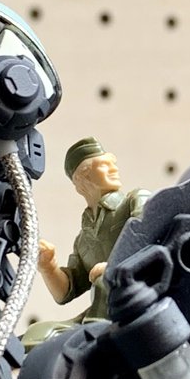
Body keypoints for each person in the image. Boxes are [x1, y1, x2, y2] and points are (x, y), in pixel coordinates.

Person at [36, 137, 149, 323]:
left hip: (139, 300)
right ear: (83, 178)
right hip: (102, 311)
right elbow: (65, 292)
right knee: (39, 334)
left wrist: (114, 267)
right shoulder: (83, 241)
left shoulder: (136, 201)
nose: (114, 169)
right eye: (104, 165)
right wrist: (48, 267)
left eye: (113, 163)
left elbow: (149, 236)